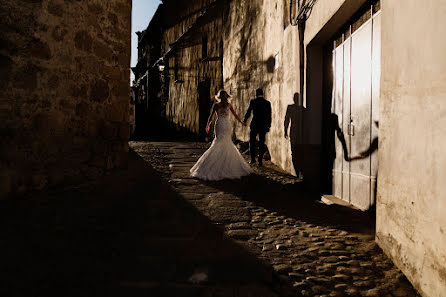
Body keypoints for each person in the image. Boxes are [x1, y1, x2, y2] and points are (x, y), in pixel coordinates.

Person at [190, 90, 253, 180]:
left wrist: (208, 125)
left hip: (223, 124)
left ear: (222, 96)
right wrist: (241, 122)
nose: (223, 98)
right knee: (223, 142)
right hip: (223, 124)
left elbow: (215, 116)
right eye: (224, 96)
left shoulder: (222, 105)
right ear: (225, 96)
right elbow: (231, 115)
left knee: (221, 142)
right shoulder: (222, 105)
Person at [243, 88, 272, 166]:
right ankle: (260, 161)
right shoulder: (267, 103)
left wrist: (245, 121)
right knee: (261, 142)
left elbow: (248, 112)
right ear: (263, 93)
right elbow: (269, 115)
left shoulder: (253, 102)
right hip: (263, 125)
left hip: (255, 124)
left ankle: (253, 159)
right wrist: (268, 125)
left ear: (256, 94)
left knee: (252, 142)